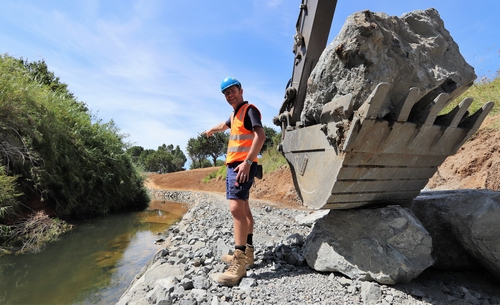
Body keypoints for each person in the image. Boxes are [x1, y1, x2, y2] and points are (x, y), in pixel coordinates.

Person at [205, 77, 266, 286]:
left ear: (241, 90)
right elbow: (225, 125)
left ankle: (239, 262)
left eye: (232, 91)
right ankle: (247, 253)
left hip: (242, 166)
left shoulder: (249, 110)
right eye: (226, 93)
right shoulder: (235, 114)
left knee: (235, 209)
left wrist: (248, 162)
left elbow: (261, 135)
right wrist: (212, 130)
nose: (229, 95)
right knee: (245, 209)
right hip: (237, 166)